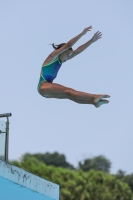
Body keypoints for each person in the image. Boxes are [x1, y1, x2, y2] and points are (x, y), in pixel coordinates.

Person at [37, 26, 110, 108]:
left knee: (69, 94)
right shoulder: (52, 57)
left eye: (70, 56)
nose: (68, 58)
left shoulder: (61, 61)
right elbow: (69, 45)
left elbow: (78, 51)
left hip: (47, 90)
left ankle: (94, 103)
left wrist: (91, 41)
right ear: (62, 51)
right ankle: (93, 96)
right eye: (68, 54)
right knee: (68, 91)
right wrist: (82, 33)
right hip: (43, 86)